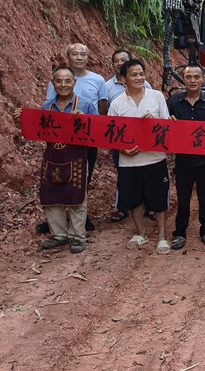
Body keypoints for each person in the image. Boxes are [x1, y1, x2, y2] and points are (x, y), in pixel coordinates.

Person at [38, 42, 108, 233]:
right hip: (57, 146)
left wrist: (86, 123)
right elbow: (45, 117)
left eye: (82, 54)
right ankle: (58, 228)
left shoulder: (96, 83)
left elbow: (100, 113)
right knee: (54, 182)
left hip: (82, 145)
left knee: (81, 181)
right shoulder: (49, 100)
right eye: (74, 54)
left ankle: (79, 226)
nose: (79, 57)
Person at [108, 59, 171, 254]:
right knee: (133, 199)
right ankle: (140, 233)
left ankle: (162, 237)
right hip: (129, 161)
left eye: (141, 74)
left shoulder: (156, 97)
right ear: (124, 78)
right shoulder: (117, 103)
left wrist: (154, 121)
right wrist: (122, 150)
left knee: (158, 199)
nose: (139, 78)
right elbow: (110, 134)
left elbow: (167, 126)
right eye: (134, 74)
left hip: (155, 159)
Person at [38, 66, 97, 254]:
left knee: (76, 197)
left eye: (67, 81)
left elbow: (97, 132)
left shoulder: (86, 104)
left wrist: (85, 121)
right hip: (52, 157)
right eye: (59, 81)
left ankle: (77, 237)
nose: (63, 84)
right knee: (51, 196)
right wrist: (21, 120)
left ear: (74, 82)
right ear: (53, 83)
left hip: (76, 157)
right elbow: (38, 130)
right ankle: (58, 235)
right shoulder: (46, 106)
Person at [166, 65, 205, 249]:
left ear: (202, 79)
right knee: (183, 200)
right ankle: (179, 233)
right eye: (188, 76)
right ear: (183, 79)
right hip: (183, 161)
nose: (192, 80)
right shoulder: (173, 102)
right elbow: (165, 130)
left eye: (196, 77)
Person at [105, 48, 153, 223]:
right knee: (124, 174)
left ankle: (149, 206)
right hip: (121, 139)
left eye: (123, 59)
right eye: (116, 60)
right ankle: (123, 207)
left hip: (144, 139)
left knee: (147, 173)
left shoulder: (146, 86)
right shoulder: (107, 86)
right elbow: (105, 115)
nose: (119, 63)